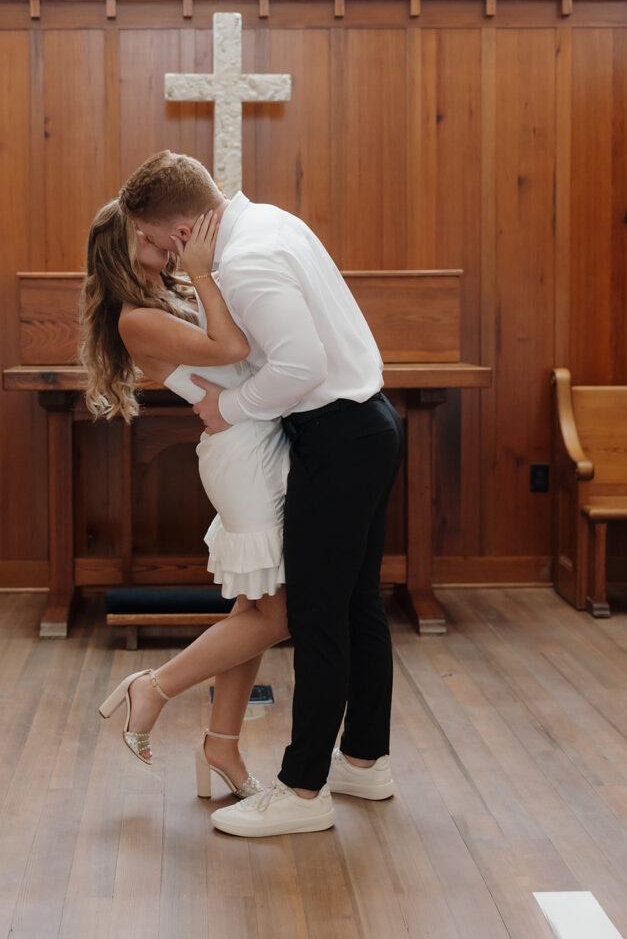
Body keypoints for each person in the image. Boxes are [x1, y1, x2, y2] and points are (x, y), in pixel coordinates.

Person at [119, 151, 404, 838]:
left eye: (155, 239)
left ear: (182, 229)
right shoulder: (268, 220)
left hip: (334, 435)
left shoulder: (243, 261)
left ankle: (303, 791)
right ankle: (362, 760)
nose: (154, 252)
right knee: (355, 605)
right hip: (364, 421)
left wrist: (232, 407)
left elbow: (298, 364)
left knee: (315, 615)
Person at [86, 198, 291, 801]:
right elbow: (231, 351)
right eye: (141, 228)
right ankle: (153, 688)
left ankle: (221, 745)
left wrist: (202, 275)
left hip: (259, 442)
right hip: (242, 461)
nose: (158, 232)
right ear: (120, 244)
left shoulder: (163, 297)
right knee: (276, 616)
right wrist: (204, 272)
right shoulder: (134, 319)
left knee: (253, 614)